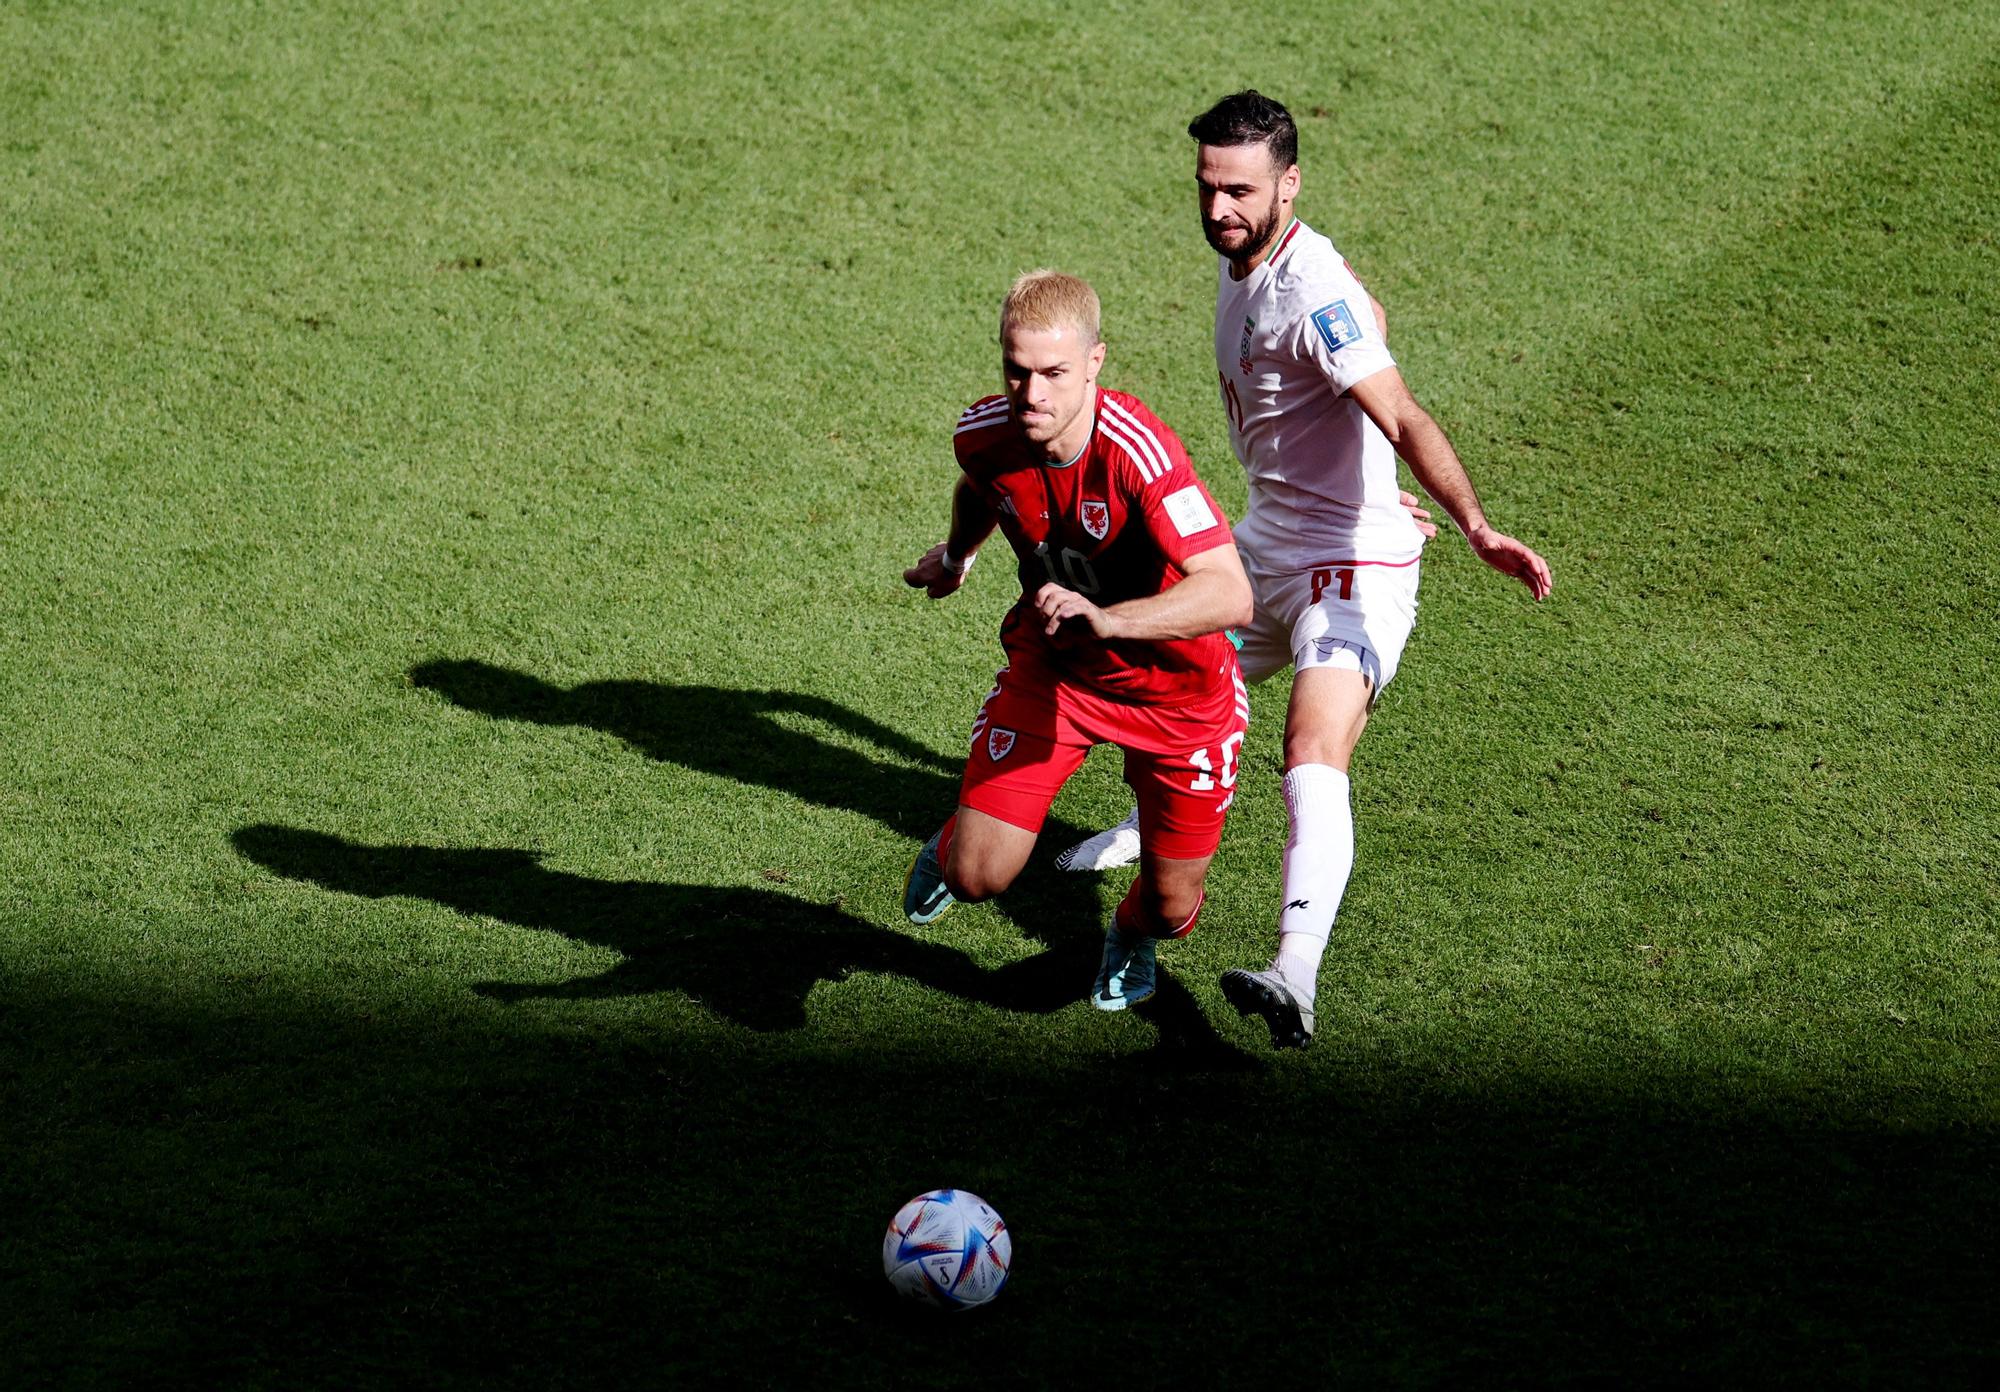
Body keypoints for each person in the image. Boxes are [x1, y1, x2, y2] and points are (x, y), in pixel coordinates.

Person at [1060, 90, 1553, 1048]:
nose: (1217, 211)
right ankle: (1142, 825)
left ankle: (1295, 971)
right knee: (1153, 670)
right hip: (1270, 540)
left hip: (1352, 563)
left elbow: (1400, 411)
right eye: (1206, 188)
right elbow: (1371, 312)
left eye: (1239, 191)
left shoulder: (1310, 286)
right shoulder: (1254, 253)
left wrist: (1476, 524)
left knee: (1310, 749)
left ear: (1289, 183)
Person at [901, 269, 1255, 1013]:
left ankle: (1130, 934)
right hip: (1057, 673)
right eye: (1016, 371)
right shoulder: (987, 432)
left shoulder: (1139, 453)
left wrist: (1115, 619)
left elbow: (1230, 591)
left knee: (1168, 905)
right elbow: (981, 487)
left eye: (1054, 373)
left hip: (1178, 699)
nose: (1031, 396)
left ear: (1095, 361)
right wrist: (959, 556)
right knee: (974, 877)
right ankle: (953, 841)